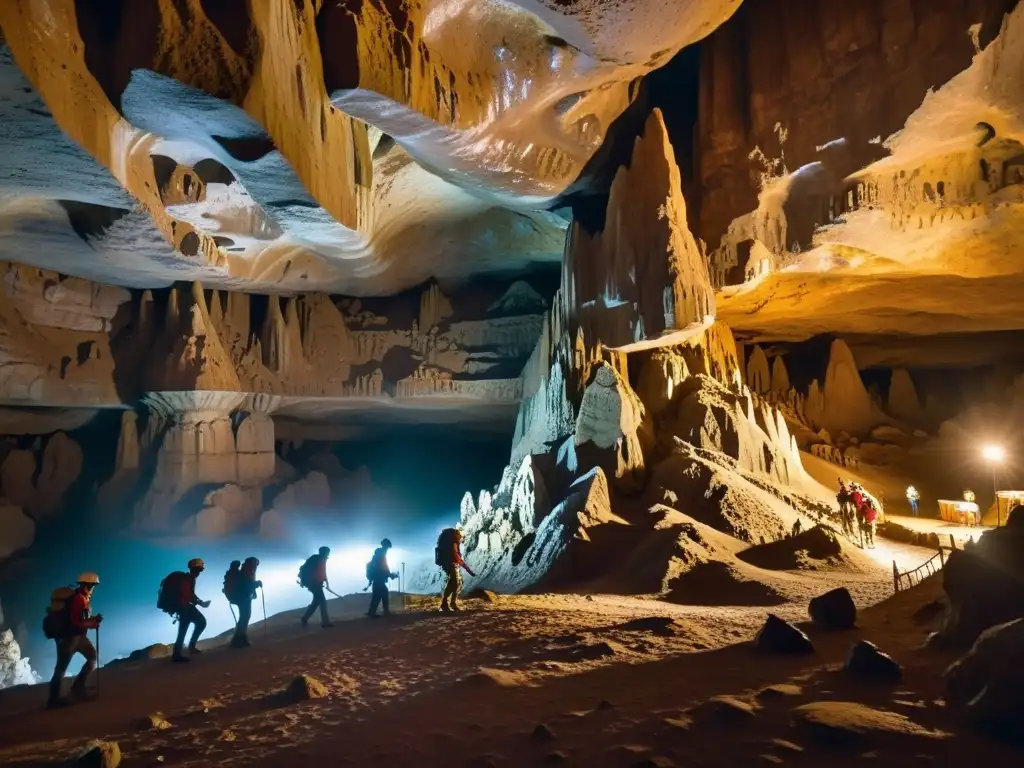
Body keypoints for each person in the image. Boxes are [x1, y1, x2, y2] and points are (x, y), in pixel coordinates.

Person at [47, 572, 103, 709]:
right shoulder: (79, 599)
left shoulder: (81, 598)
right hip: (70, 638)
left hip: (75, 637)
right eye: (91, 585)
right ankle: (55, 700)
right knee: (63, 667)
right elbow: (75, 622)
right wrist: (92, 623)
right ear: (86, 585)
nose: (92, 588)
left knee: (91, 658)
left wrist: (92, 620)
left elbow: (80, 619)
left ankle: (75, 690)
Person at [172, 558, 211, 663]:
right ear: (196, 569)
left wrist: (199, 602)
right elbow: (189, 595)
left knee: (183, 630)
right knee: (201, 622)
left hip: (181, 607)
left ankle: (177, 654)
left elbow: (189, 594)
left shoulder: (186, 578)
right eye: (199, 570)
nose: (200, 572)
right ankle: (190, 648)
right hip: (186, 607)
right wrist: (201, 603)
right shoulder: (190, 579)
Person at [437, 529, 475, 613]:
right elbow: (457, 558)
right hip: (451, 565)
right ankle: (448, 604)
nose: (460, 537)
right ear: (455, 536)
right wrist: (468, 569)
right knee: (455, 583)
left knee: (454, 583)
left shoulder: (451, 544)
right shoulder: (453, 544)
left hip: (448, 565)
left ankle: (447, 604)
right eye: (459, 535)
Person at [229, 557, 262, 648]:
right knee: (245, 617)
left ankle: (240, 639)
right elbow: (247, 585)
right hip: (244, 598)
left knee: (244, 617)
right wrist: (257, 584)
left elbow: (246, 584)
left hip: (242, 597)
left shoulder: (245, 571)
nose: (256, 566)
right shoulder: (247, 571)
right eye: (255, 563)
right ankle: (238, 641)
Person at [299, 546, 334, 629]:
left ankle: (305, 618)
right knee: (322, 602)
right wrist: (316, 582)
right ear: (323, 552)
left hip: (316, 583)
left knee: (316, 602)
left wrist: (326, 582)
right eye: (328, 552)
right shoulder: (315, 559)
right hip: (313, 584)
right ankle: (325, 622)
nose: (328, 554)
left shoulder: (323, 559)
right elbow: (312, 572)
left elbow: (323, 572)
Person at [366, 538, 399, 618]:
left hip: (376, 579)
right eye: (387, 547)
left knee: (377, 595)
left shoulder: (378, 556)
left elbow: (381, 569)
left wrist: (389, 575)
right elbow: (382, 569)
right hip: (379, 579)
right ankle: (382, 612)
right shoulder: (381, 556)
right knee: (382, 594)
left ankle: (372, 612)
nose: (387, 549)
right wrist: (391, 575)